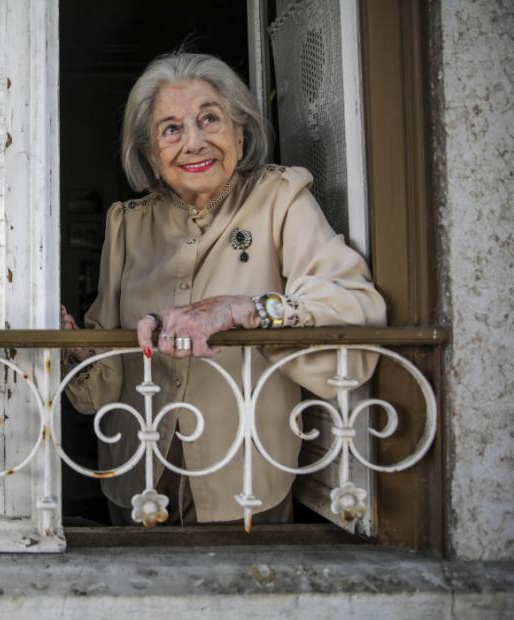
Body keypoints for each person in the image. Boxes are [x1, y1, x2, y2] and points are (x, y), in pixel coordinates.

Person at [60, 52, 387, 526]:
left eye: (209, 119)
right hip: (136, 475)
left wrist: (240, 309)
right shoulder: (127, 226)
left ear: (240, 132)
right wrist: (74, 348)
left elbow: (353, 310)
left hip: (247, 480)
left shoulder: (280, 199)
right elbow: (102, 384)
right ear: (151, 155)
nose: (194, 142)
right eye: (170, 129)